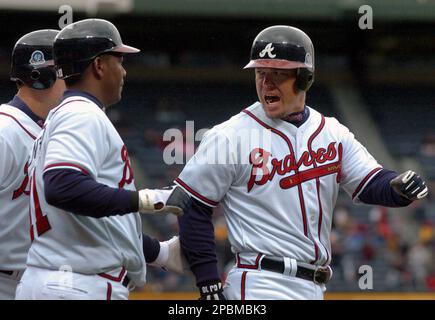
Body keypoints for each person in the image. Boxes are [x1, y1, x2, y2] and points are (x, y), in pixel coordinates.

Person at [175, 25, 428, 300]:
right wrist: (209, 284)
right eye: (261, 72)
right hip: (259, 282)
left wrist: (397, 187)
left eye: (278, 74)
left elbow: (369, 183)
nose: (266, 83)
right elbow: (191, 206)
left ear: (305, 78)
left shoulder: (331, 131)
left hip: (314, 286)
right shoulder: (228, 136)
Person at [15, 19, 186, 300]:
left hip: (63, 280)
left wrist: (160, 253)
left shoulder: (66, 115)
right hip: (77, 285)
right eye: (119, 60)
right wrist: (150, 199)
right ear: (99, 65)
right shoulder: (81, 114)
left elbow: (92, 221)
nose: (124, 71)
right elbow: (63, 186)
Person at [0, 29, 65, 300]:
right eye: (69, 73)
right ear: (43, 77)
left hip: (36, 282)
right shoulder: (5, 131)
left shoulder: (55, 132)